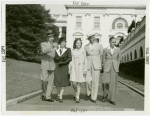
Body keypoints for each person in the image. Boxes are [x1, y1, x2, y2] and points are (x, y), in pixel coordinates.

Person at [84, 33, 103, 103]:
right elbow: (84, 57)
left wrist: (100, 64)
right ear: (89, 39)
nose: (93, 39)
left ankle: (93, 97)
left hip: (96, 65)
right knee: (87, 80)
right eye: (91, 38)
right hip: (88, 65)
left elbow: (101, 55)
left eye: (94, 37)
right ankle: (88, 93)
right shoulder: (85, 47)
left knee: (95, 81)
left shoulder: (99, 45)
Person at [102, 37, 121, 105]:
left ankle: (112, 99)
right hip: (107, 67)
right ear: (109, 42)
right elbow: (103, 59)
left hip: (114, 68)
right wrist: (104, 66)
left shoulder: (118, 49)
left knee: (113, 84)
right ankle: (105, 94)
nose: (114, 43)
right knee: (105, 82)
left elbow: (119, 58)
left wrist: (117, 65)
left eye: (115, 42)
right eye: (113, 42)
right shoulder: (105, 50)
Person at [54, 37, 72, 103]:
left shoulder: (68, 49)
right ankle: (58, 95)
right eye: (62, 43)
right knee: (57, 81)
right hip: (58, 67)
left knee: (63, 82)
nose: (63, 44)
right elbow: (55, 58)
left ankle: (61, 96)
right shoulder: (57, 50)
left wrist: (63, 62)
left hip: (64, 67)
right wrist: (59, 58)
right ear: (60, 43)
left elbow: (70, 58)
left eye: (64, 42)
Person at [69, 38, 87, 103]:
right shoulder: (72, 51)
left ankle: (77, 97)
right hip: (74, 67)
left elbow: (85, 60)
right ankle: (76, 93)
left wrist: (85, 69)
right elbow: (70, 61)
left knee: (79, 83)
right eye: (77, 43)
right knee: (73, 82)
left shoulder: (83, 51)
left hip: (81, 68)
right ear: (75, 44)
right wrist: (70, 68)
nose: (78, 44)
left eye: (80, 43)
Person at [40, 30, 55, 102]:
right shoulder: (43, 44)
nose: (52, 38)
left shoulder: (56, 45)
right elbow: (44, 51)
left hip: (52, 65)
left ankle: (48, 96)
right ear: (47, 38)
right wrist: (51, 46)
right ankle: (44, 94)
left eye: (52, 37)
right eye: (50, 37)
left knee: (51, 82)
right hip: (45, 64)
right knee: (44, 80)